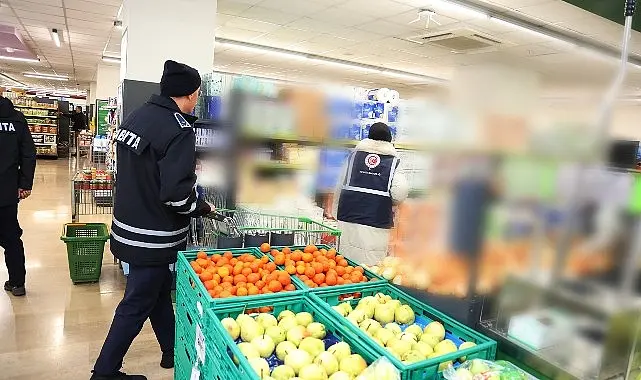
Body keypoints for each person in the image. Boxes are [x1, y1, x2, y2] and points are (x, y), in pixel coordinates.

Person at [91, 60, 211, 380]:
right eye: (196, 94)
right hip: (153, 235)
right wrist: (201, 207)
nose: (196, 100)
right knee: (136, 303)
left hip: (127, 225)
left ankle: (171, 350)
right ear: (187, 94)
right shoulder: (179, 129)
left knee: (157, 293)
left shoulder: (137, 116)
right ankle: (104, 372)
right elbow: (175, 195)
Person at [333, 122, 408, 266]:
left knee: (345, 268)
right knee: (371, 269)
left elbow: (338, 186)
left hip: (348, 219)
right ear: (389, 140)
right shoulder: (393, 162)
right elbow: (400, 192)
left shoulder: (352, 157)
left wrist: (336, 214)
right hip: (376, 221)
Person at [0, 96, 36, 297]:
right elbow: (29, 154)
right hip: (6, 190)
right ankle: (17, 282)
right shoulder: (17, 120)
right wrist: (24, 184)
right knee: (12, 238)